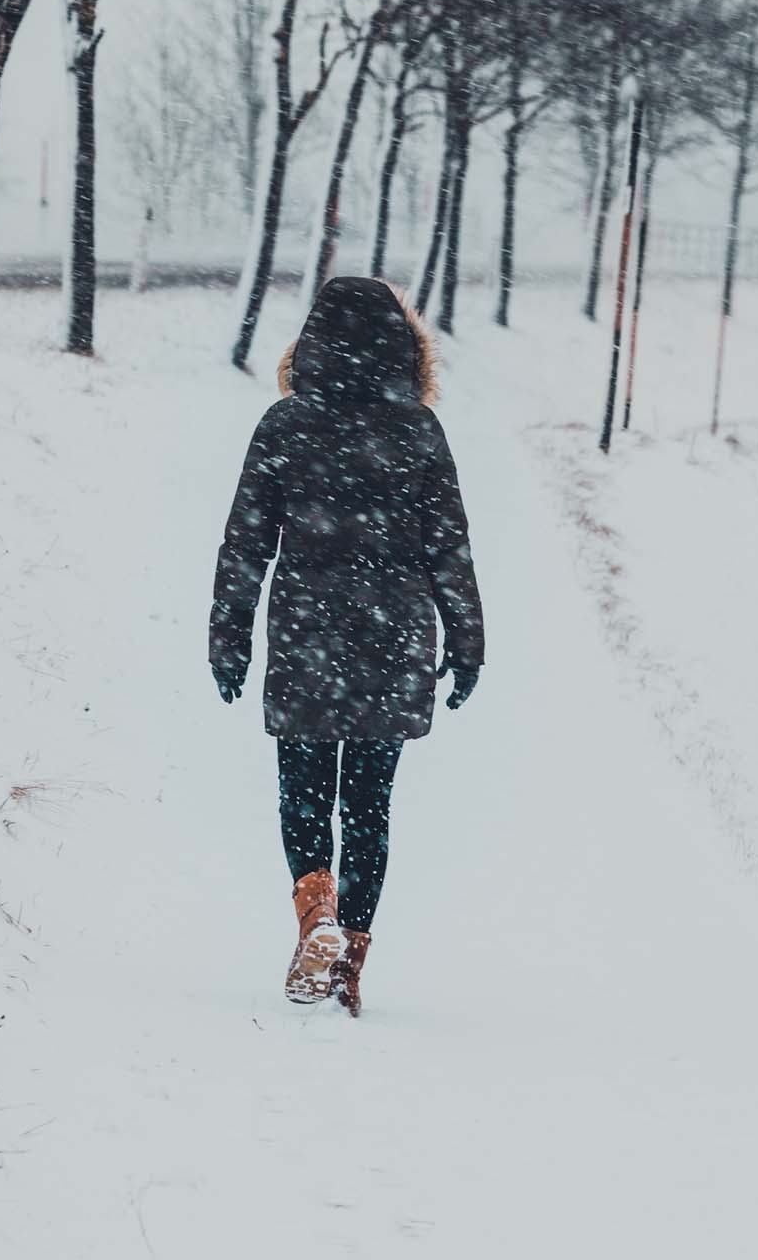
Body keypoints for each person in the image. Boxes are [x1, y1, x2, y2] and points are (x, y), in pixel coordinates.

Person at [210, 277, 483, 1017]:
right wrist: (467, 638)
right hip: (393, 639)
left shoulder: (285, 424)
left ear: (314, 339)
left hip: (306, 631)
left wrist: (228, 635)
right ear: (404, 344)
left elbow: (246, 542)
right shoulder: (418, 429)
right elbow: (447, 545)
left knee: (304, 793)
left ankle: (315, 911)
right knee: (369, 804)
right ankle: (350, 962)